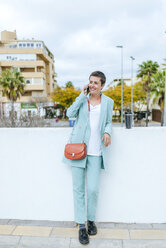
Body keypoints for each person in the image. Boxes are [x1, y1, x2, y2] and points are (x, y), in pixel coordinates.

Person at [62, 71, 114, 245]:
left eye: (96, 83)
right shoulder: (83, 99)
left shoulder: (108, 102)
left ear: (102, 86)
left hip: (95, 152)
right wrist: (80, 96)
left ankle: (91, 220)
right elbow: (70, 113)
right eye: (90, 82)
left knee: (92, 189)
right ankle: (81, 227)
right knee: (78, 190)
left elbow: (108, 122)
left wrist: (107, 132)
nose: (92, 85)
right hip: (78, 149)